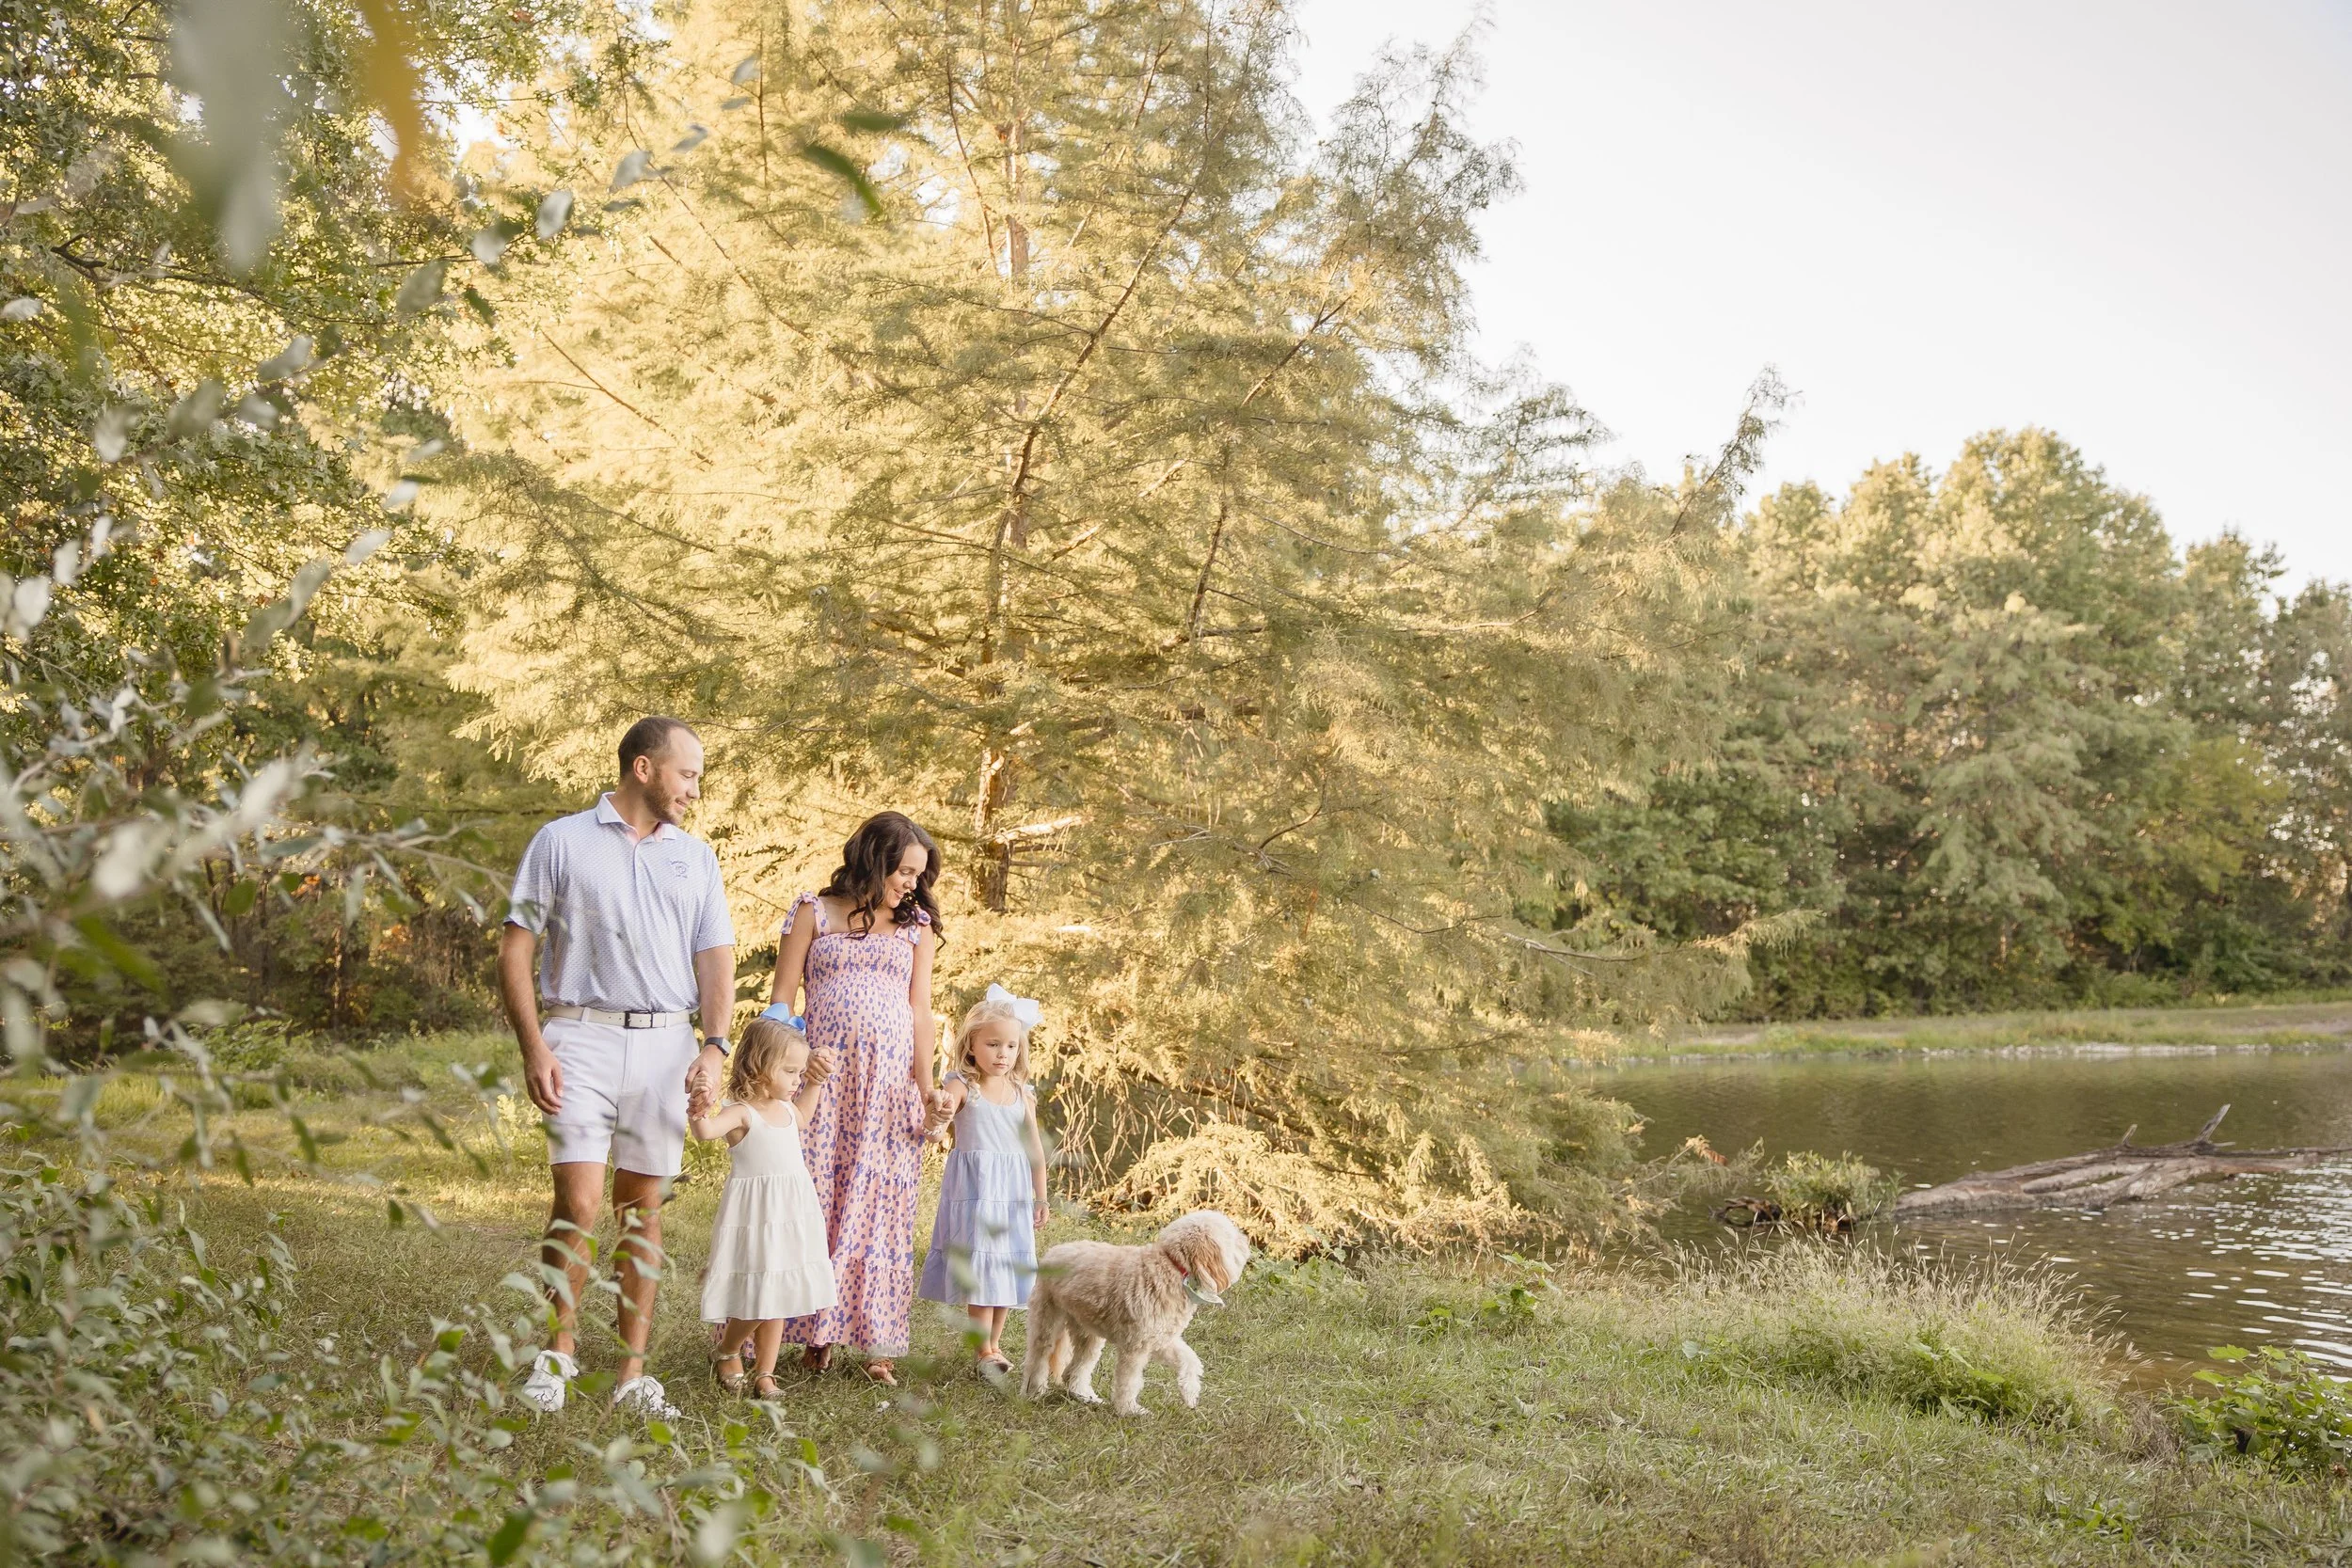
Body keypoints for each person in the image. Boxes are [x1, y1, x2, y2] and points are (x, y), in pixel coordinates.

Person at [501, 716, 737, 1419]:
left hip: (667, 1044)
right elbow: (516, 950)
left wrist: (715, 1044)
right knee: (577, 1204)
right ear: (644, 768)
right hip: (580, 1036)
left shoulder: (696, 858)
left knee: (644, 1213)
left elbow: (715, 957)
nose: (696, 788)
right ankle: (557, 1354)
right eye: (688, 772)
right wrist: (533, 1044)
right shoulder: (561, 841)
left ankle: (633, 1375)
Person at [753, 812, 946, 1386]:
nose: (911, 882)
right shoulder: (813, 911)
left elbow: (920, 1011)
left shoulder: (916, 928)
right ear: (874, 859)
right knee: (809, 1198)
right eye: (904, 870)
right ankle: (802, 1329)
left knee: (880, 1205)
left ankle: (872, 1340)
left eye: (919, 873)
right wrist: (783, 1063)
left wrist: (925, 1084)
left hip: (887, 1088)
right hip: (819, 1080)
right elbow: (781, 1000)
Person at [690, 1010, 837, 1402]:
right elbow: (705, 1132)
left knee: (781, 1291)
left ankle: (766, 1373)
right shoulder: (742, 1113)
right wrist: (698, 1107)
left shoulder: (789, 1109)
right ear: (759, 1067)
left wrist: (816, 1081)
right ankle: (727, 1348)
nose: (797, 1080)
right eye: (790, 1072)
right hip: (757, 1215)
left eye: (799, 1072)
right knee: (761, 1292)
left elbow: (804, 1114)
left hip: (791, 1212)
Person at [917, 984, 1050, 1374]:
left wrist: (1040, 1198)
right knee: (982, 1267)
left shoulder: (1020, 1093)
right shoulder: (962, 1084)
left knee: (1005, 1266)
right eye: (993, 1045)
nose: (1002, 1054)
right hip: (976, 1191)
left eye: (1010, 1046)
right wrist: (939, 1112)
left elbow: (1035, 1152)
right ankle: (984, 1351)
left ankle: (995, 1344)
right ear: (972, 1044)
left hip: (1011, 1193)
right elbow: (943, 1115)